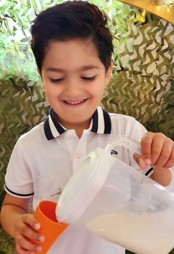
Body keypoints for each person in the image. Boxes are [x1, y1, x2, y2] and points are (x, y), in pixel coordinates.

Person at [1, 1, 174, 254]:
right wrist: (17, 224)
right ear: (41, 76)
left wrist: (162, 159)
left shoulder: (127, 131)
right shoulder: (29, 145)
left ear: (107, 73)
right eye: (57, 78)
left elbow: (159, 195)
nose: (73, 90)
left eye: (87, 76)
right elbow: (11, 206)